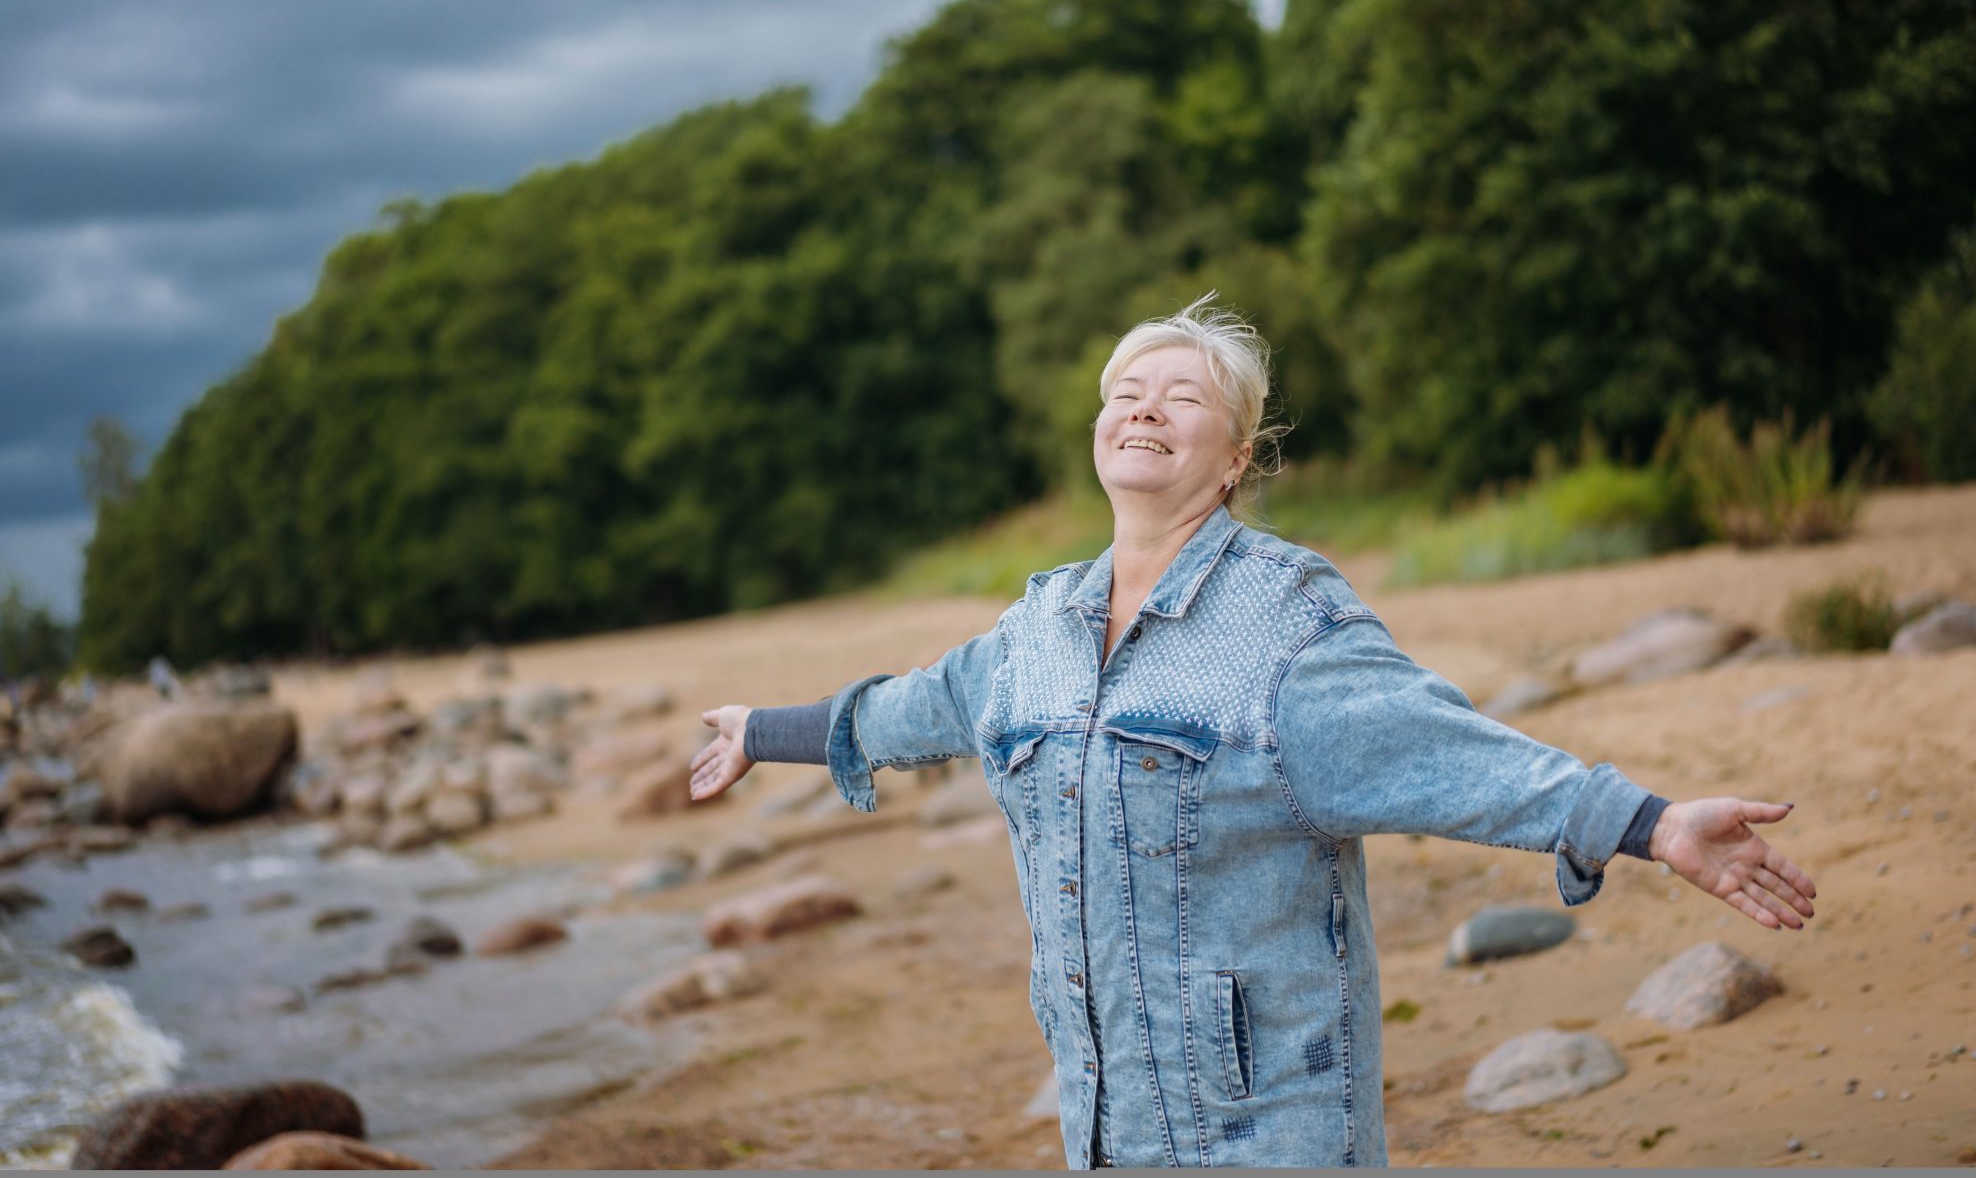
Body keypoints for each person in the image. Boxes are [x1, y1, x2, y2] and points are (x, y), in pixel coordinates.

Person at [689, 296, 1815, 1169]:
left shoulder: (1285, 621)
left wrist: (1650, 822)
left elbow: (1446, 751)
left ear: (1233, 459)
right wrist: (756, 728)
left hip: (1266, 1128)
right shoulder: (1032, 629)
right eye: (1125, 389)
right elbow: (910, 709)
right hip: (1100, 1118)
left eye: (1178, 396)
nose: (1142, 405)